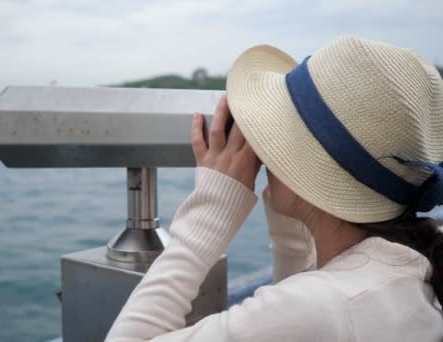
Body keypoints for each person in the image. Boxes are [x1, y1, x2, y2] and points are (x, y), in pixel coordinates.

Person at [106, 36, 443, 341]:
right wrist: (293, 203)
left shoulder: (321, 307)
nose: (263, 149)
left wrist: (210, 212)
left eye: (276, 136)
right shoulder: (405, 270)